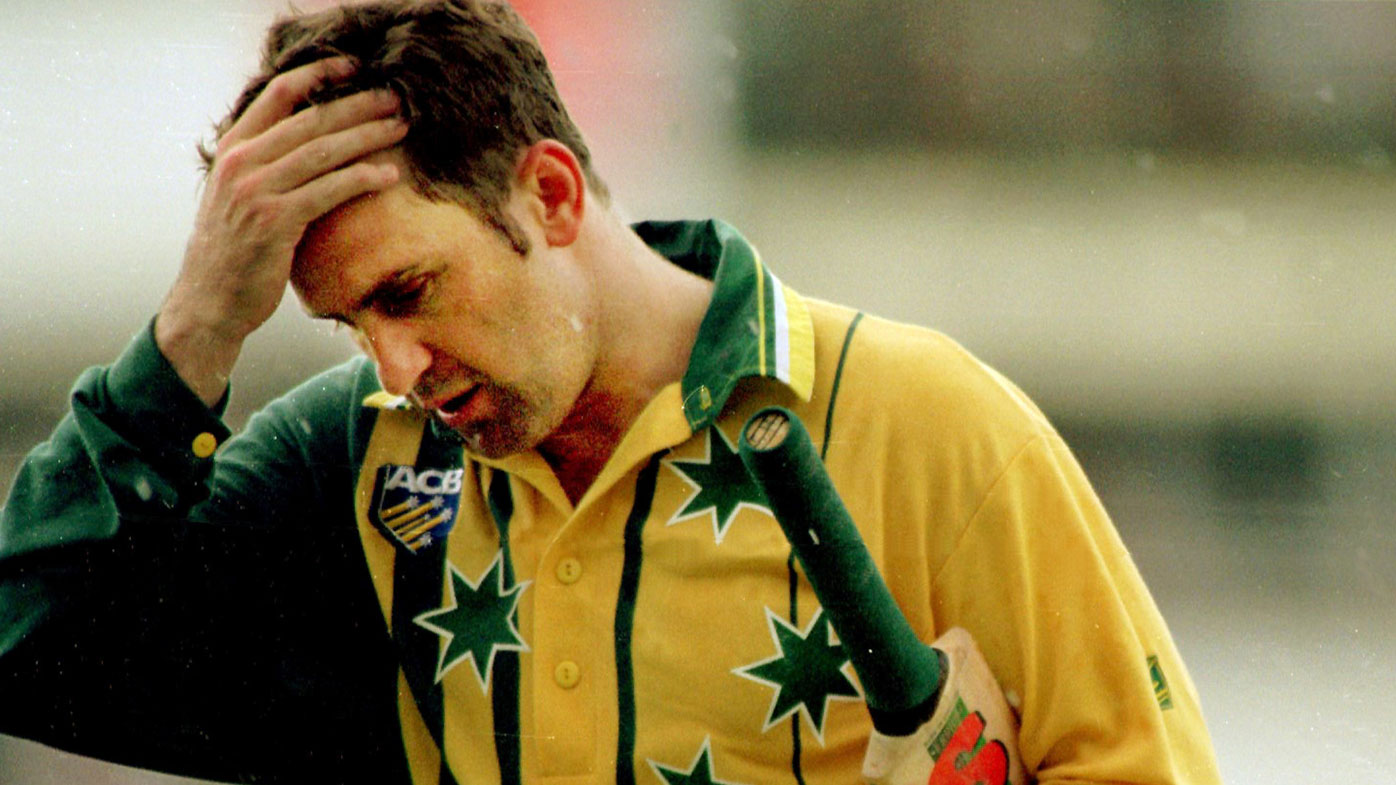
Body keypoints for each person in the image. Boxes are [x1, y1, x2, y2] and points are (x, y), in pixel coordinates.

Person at [0, 1, 1222, 783]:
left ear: (552, 194)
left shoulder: (930, 422)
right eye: (349, 322)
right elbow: (27, 649)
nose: (397, 369)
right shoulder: (354, 467)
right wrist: (194, 332)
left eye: (411, 290)